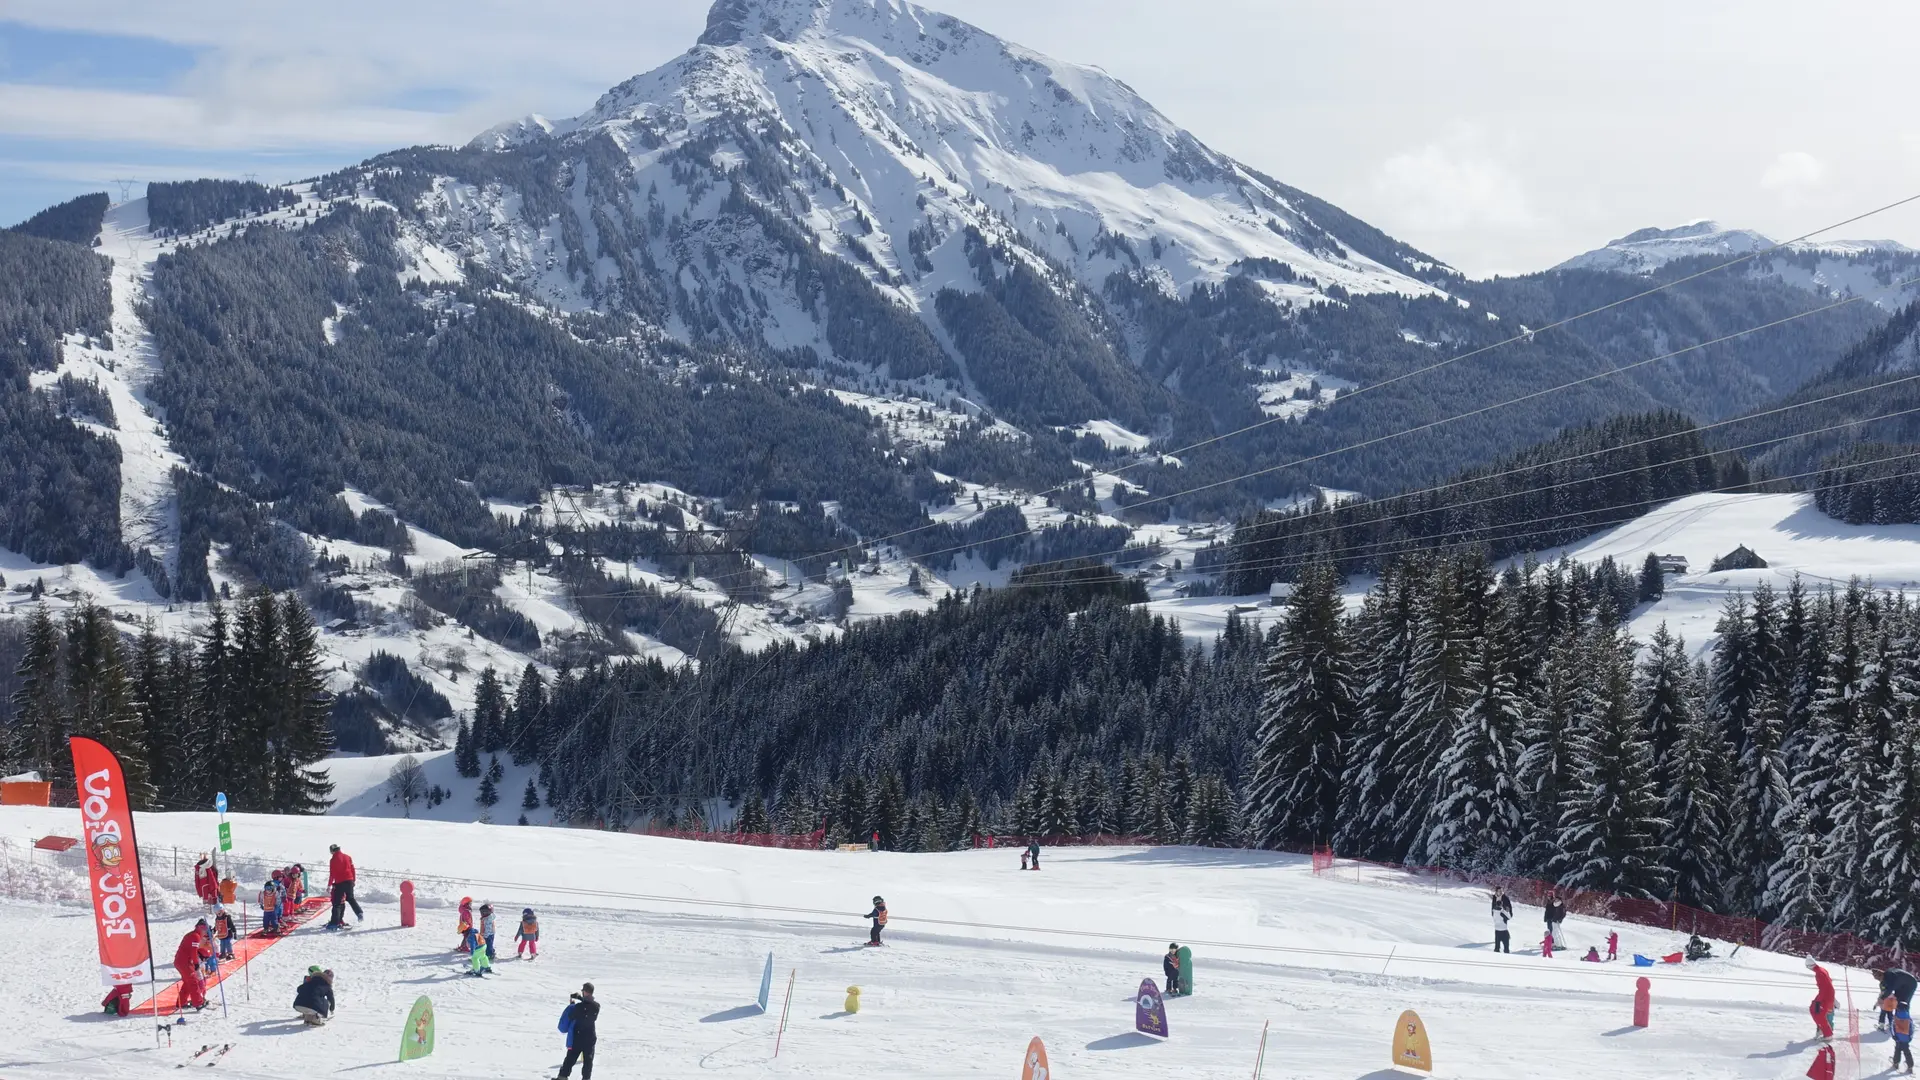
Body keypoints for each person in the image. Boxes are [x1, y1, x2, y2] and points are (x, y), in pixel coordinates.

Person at [557, 983, 599, 1080]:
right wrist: (580, 998)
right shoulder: (596, 1006)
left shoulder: (578, 1007)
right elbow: (588, 1005)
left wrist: (572, 1005)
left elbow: (572, 1016)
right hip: (590, 1039)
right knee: (588, 1062)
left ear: (585, 991)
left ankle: (562, 1077)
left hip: (578, 1038)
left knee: (570, 1060)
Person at [173, 920, 212, 1011]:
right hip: (185, 962)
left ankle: (181, 1002)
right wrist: (196, 963)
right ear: (198, 927)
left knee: (188, 982)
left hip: (181, 961)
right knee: (193, 982)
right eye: (203, 928)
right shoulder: (195, 936)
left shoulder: (193, 935)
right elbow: (193, 952)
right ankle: (198, 1003)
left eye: (206, 929)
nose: (205, 931)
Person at [325, 844, 362, 928]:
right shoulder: (348, 857)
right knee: (350, 898)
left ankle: (334, 923)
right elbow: (353, 869)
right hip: (349, 880)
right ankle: (359, 913)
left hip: (339, 883)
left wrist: (329, 885)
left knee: (337, 903)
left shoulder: (333, 860)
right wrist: (353, 880)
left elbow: (332, 874)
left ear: (332, 851)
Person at [1808, 957, 1838, 1040]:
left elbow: (1824, 988)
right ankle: (1822, 1030)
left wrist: (1818, 1000)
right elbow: (1828, 983)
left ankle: (1827, 1034)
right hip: (1827, 995)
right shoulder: (1822, 970)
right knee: (1817, 1012)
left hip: (1825, 997)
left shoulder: (1819, 974)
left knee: (1817, 1013)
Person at [1894, 1003, 1915, 1075]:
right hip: (1906, 1038)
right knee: (1907, 1052)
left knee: (1897, 1050)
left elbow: (1892, 1026)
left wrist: (1894, 1036)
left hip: (1898, 1038)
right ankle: (1910, 1066)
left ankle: (1896, 1063)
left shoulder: (1896, 1017)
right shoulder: (1908, 1018)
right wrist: (1910, 1037)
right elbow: (1912, 1028)